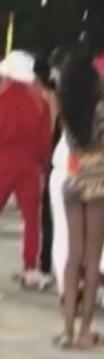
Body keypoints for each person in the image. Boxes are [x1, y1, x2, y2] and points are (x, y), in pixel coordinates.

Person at [57, 52, 104, 349]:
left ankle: (67, 330)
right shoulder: (102, 111)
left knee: (73, 258)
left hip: (73, 178)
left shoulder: (67, 110)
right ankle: (86, 331)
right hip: (99, 180)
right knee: (93, 259)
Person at [0, 50, 53, 290]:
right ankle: (30, 268)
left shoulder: (1, 98)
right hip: (30, 166)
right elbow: (45, 141)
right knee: (32, 220)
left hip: (3, 161)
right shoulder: (40, 101)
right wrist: (43, 166)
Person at [34, 57, 60, 285]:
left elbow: (49, 130)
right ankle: (43, 263)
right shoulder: (51, 96)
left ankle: (45, 265)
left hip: (50, 160)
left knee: (47, 216)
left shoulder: (47, 97)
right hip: (49, 159)